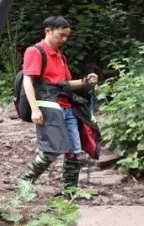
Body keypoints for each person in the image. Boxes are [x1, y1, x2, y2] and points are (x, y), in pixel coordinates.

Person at [17, 16, 99, 195]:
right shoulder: (35, 51)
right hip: (47, 106)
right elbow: (27, 81)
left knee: (75, 150)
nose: (64, 39)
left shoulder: (60, 55)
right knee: (52, 149)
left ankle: (70, 191)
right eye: (61, 35)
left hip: (67, 106)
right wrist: (35, 110)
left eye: (67, 36)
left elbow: (65, 83)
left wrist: (85, 81)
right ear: (48, 31)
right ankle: (25, 180)